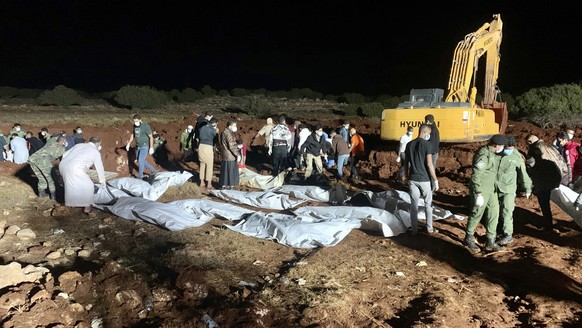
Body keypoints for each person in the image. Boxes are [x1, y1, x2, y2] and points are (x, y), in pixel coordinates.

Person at [463, 134, 508, 252]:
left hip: (491, 190)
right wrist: (478, 192)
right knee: (477, 213)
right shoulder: (483, 155)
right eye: (502, 146)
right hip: (481, 190)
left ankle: (491, 240)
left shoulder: (492, 154)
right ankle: (468, 237)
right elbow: (476, 175)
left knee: (494, 212)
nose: (502, 148)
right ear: (496, 145)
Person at [526, 134, 569, 231]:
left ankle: (548, 224)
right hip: (557, 177)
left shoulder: (533, 151)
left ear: (530, 143)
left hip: (543, 180)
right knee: (562, 201)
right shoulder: (550, 147)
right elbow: (561, 161)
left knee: (544, 202)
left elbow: (530, 166)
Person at [496, 136, 533, 246]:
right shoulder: (496, 153)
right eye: (508, 148)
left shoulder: (516, 156)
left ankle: (508, 234)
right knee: (494, 211)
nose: (509, 150)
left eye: (511, 148)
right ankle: (494, 231)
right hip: (494, 188)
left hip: (508, 189)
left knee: (507, 211)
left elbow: (523, 173)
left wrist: (527, 188)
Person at [403, 123, 439, 234]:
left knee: (414, 205)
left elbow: (406, 163)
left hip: (412, 178)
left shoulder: (409, 144)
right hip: (424, 179)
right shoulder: (427, 145)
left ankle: (414, 230)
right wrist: (435, 180)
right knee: (428, 204)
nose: (429, 135)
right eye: (428, 133)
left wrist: (406, 176)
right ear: (424, 132)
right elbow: (429, 164)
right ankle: (429, 228)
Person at [59, 136, 106, 215]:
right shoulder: (95, 151)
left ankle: (70, 204)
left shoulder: (79, 145)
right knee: (89, 185)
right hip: (75, 168)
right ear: (98, 143)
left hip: (63, 165)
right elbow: (99, 167)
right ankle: (87, 208)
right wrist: (102, 181)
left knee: (71, 185)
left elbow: (64, 155)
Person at [28, 135, 67, 200]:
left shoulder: (51, 142)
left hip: (33, 159)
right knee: (51, 179)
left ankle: (41, 193)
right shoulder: (62, 149)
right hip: (44, 162)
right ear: (63, 142)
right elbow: (63, 159)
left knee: (41, 177)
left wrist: (60, 137)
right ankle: (53, 196)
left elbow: (54, 138)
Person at [125, 114, 158, 179]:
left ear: (140, 120)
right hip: (138, 146)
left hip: (145, 146)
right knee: (142, 161)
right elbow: (132, 135)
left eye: (136, 121)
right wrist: (128, 143)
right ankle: (154, 171)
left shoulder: (145, 126)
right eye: (134, 121)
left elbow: (151, 137)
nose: (135, 123)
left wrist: (151, 147)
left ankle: (140, 176)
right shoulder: (134, 126)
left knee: (140, 160)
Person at [218, 119, 240, 189]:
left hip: (225, 154)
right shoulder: (228, 133)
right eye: (234, 125)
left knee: (225, 171)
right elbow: (231, 145)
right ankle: (231, 186)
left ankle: (223, 185)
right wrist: (237, 154)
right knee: (231, 171)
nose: (235, 127)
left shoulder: (223, 132)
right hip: (230, 155)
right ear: (229, 126)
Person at [198, 118, 218, 188]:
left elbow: (199, 136)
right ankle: (209, 183)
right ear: (215, 123)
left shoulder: (202, 128)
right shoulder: (213, 129)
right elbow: (215, 138)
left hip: (201, 146)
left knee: (202, 164)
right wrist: (216, 130)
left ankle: (201, 182)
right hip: (208, 146)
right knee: (209, 165)